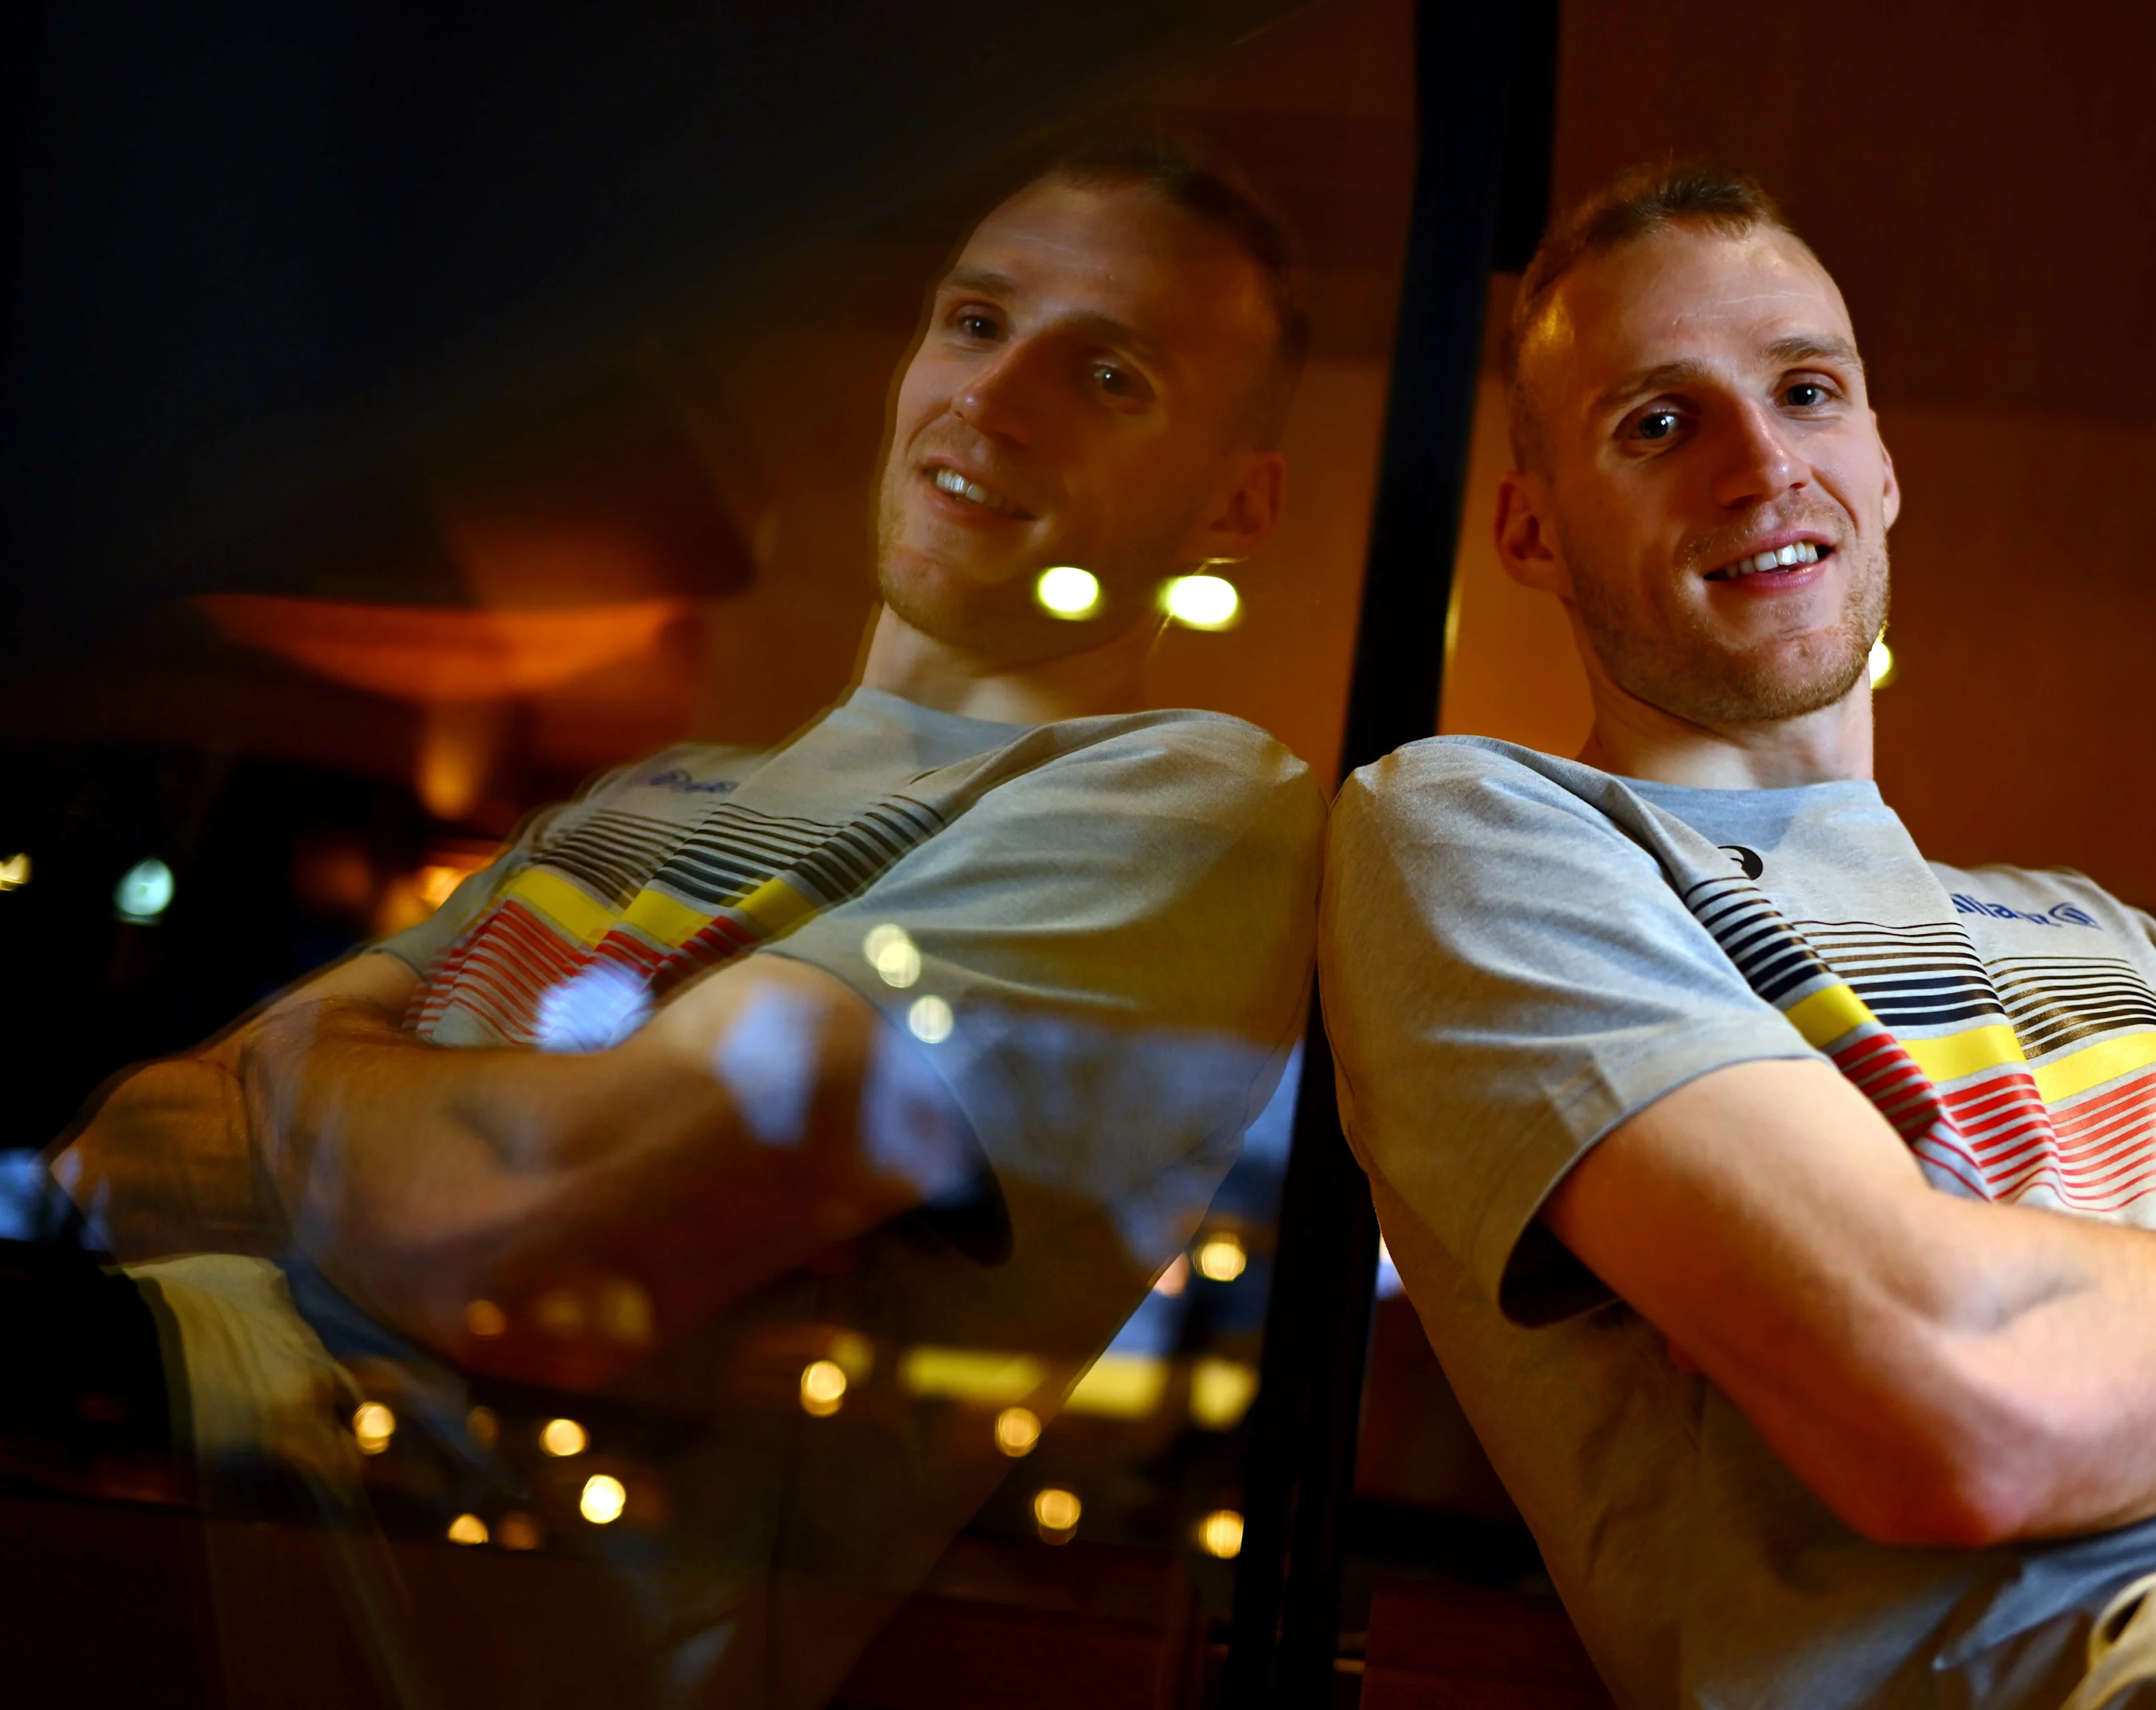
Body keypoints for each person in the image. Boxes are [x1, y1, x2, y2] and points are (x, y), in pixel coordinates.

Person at [45, 131, 1326, 1710]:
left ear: (1236, 507)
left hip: (350, 1595)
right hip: (121, 1431)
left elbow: (552, 1244)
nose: (991, 400)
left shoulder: (1178, 800)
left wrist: (306, 1077)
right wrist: (392, 1161)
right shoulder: (654, 789)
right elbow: (133, 1142)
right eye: (977, 322)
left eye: (1111, 375)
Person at [1319, 159, 2156, 1710]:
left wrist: (2098, 1329)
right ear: (1529, 529)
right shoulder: (1494, 831)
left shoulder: (2109, 936)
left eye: (1808, 389)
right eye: (1658, 422)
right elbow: (1963, 1401)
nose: (1761, 461)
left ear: (1885, 463)